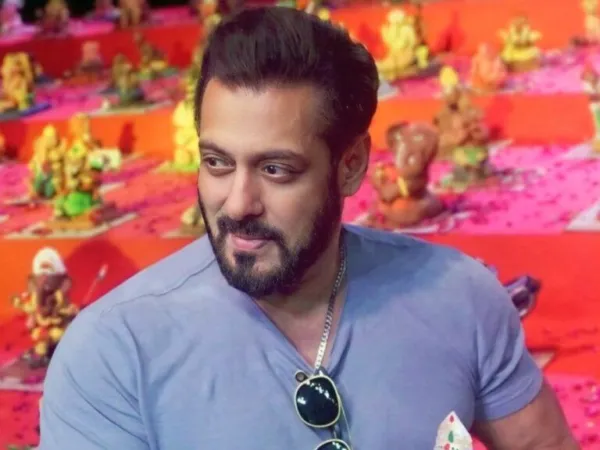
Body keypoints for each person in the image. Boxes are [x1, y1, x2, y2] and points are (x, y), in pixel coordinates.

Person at [39, 7, 578, 450]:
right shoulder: (113, 351)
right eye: (217, 163)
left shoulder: (460, 296)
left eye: (276, 169)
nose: (238, 203)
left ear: (351, 166)